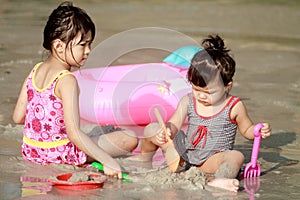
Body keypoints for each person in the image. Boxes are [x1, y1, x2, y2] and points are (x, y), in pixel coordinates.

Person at [12, 1, 138, 179]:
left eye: (90, 44)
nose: (88, 51)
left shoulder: (35, 70)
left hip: (31, 152)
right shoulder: (66, 80)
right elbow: (74, 133)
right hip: (60, 155)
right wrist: (107, 161)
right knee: (129, 138)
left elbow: (17, 117)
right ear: (58, 46)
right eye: (82, 45)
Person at [134, 34, 271, 192]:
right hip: (184, 156)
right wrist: (167, 131)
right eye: (196, 89)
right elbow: (174, 123)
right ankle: (143, 163)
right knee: (152, 128)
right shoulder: (188, 100)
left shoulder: (234, 106)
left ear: (227, 86)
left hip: (212, 161)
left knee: (236, 156)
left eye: (208, 92)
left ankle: (217, 179)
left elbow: (246, 130)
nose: (201, 96)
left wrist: (257, 131)